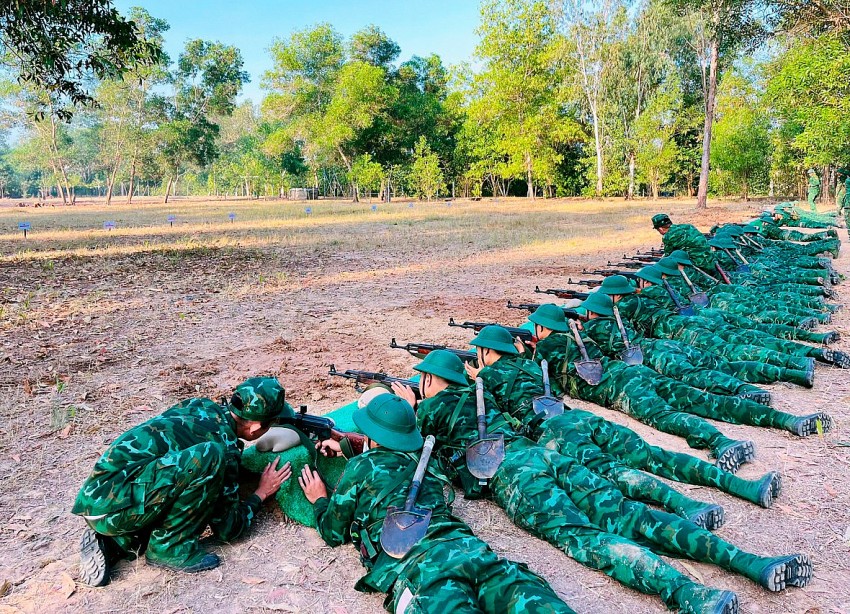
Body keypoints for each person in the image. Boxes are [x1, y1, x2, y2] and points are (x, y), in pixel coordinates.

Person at [388, 351, 812, 612]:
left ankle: (689, 594)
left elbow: (415, 458)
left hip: (515, 476)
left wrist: (409, 406)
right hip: (542, 454)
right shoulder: (479, 392)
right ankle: (751, 562)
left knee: (589, 539)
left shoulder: (427, 412)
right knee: (628, 512)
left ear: (426, 382)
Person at [298, 394, 574, 613]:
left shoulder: (361, 466)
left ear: (370, 435)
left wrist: (320, 499)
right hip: (472, 551)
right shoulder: (426, 463)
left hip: (421, 568)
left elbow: (333, 532)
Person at [73, 377, 294, 586]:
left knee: (187, 472)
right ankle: (169, 548)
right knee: (208, 457)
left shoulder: (201, 405)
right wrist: (261, 494)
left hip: (99, 496)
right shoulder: (223, 449)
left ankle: (119, 541)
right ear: (255, 427)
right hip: (116, 508)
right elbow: (228, 529)